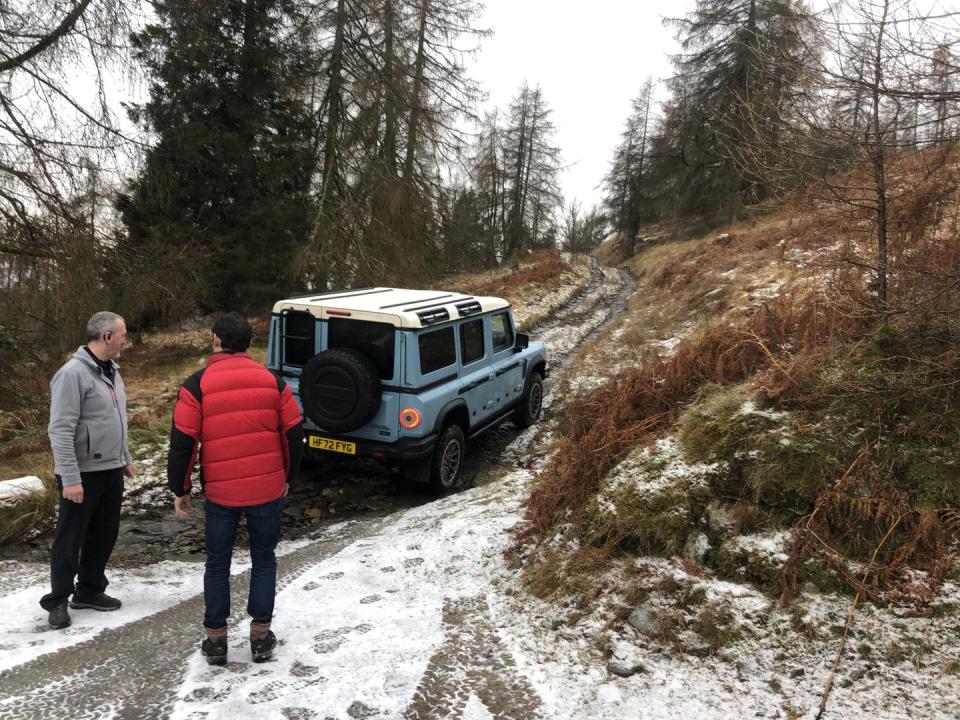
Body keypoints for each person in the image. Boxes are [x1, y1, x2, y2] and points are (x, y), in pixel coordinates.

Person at [167, 312, 302, 665]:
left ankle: (215, 640)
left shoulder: (196, 385)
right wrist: (288, 476)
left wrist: (180, 488)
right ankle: (259, 637)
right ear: (248, 343)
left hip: (222, 496)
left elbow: (183, 442)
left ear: (216, 341)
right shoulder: (274, 382)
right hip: (267, 489)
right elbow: (293, 434)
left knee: (217, 563)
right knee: (264, 559)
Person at [41, 311, 137, 630]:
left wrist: (124, 456)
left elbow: (115, 419)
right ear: (107, 336)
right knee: (70, 538)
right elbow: (60, 429)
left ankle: (90, 590)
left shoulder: (112, 371)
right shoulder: (72, 374)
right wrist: (70, 478)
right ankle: (58, 600)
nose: (126, 338)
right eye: (123, 333)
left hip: (110, 469)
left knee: (103, 534)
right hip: (81, 474)